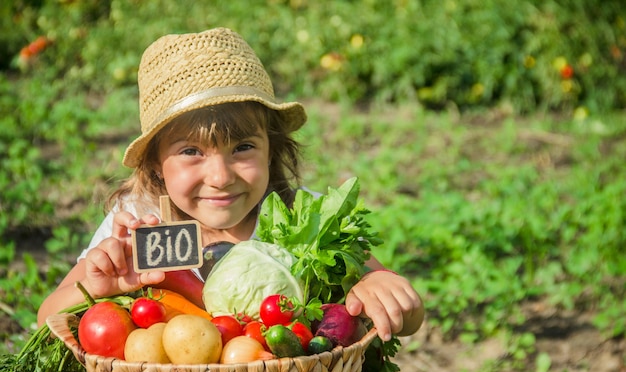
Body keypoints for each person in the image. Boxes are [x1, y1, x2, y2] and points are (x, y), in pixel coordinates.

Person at [37, 27, 424, 342]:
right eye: (191, 151)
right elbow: (45, 319)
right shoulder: (141, 226)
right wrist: (97, 286)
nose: (220, 178)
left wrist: (377, 285)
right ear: (156, 161)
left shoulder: (306, 218)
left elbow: (409, 317)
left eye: (243, 147)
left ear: (272, 149)